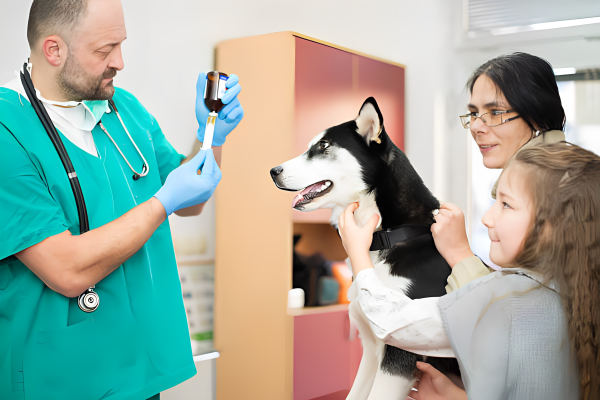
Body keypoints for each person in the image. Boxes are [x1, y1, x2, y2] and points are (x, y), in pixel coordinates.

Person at [0, 1, 243, 399]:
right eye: (104, 50)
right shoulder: (7, 129)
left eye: (121, 44)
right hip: (58, 377)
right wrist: (162, 202)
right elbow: (66, 270)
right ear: (53, 50)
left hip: (139, 368)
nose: (120, 62)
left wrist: (212, 136)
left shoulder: (123, 109)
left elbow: (189, 199)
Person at [340, 142, 600, 399]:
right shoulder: (572, 292)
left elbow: (392, 324)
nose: (487, 218)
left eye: (506, 205)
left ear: (550, 229)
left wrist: (358, 253)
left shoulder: (506, 298)